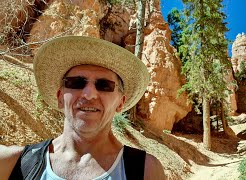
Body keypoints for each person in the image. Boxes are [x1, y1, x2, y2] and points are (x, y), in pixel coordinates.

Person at [0, 36, 166, 180]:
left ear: (120, 103)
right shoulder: (13, 163)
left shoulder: (146, 171)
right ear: (59, 98)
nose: (89, 94)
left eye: (104, 85)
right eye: (76, 83)